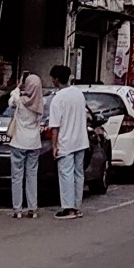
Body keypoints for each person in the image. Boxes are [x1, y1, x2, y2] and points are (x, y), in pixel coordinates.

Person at [44, 65, 90, 218]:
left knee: (66, 175)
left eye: (53, 78)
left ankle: (68, 208)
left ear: (57, 79)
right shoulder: (79, 94)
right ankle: (76, 207)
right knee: (78, 174)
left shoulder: (58, 98)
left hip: (66, 141)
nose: (52, 80)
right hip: (81, 140)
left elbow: (55, 126)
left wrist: (54, 145)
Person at [6, 71, 45, 217]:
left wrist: (18, 86)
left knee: (17, 176)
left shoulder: (19, 100)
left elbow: (11, 100)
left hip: (18, 142)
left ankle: (17, 209)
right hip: (34, 143)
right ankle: (33, 208)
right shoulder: (41, 103)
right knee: (32, 175)